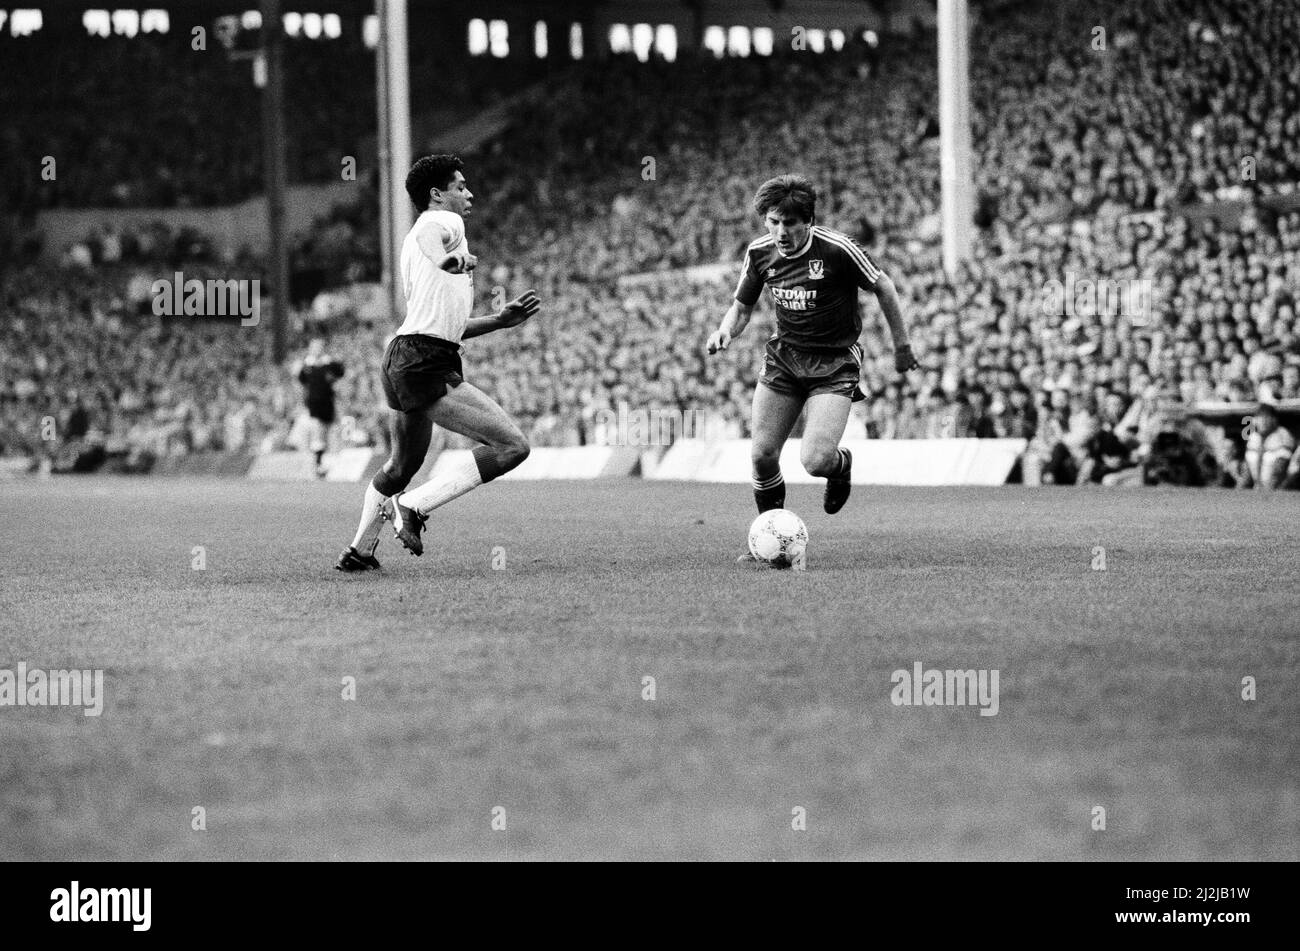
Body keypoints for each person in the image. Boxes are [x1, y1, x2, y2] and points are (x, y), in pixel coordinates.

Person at [335, 154, 540, 572]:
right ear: (437, 194)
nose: (469, 194)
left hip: (405, 355)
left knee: (400, 466)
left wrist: (498, 322)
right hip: (423, 361)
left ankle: (359, 550)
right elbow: (435, 239)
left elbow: (444, 324)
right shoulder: (442, 224)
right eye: (461, 186)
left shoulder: (414, 242)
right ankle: (412, 507)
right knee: (512, 446)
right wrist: (448, 259)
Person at [704, 174, 918, 563]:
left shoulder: (837, 249)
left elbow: (883, 286)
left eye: (790, 223)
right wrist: (724, 331)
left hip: (834, 363)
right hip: (785, 359)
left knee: (815, 459)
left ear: (808, 221)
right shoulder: (759, 253)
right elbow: (742, 308)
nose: (781, 232)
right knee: (762, 454)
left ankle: (840, 466)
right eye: (773, 222)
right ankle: (768, 538)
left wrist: (902, 346)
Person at [294, 337, 345, 477]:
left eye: (320, 346)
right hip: (313, 406)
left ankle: (326, 464)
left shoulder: (329, 364)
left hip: (329, 404)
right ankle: (317, 465)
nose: (317, 349)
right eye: (315, 346)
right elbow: (301, 381)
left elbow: (340, 373)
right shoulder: (307, 365)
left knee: (331, 433)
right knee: (318, 434)